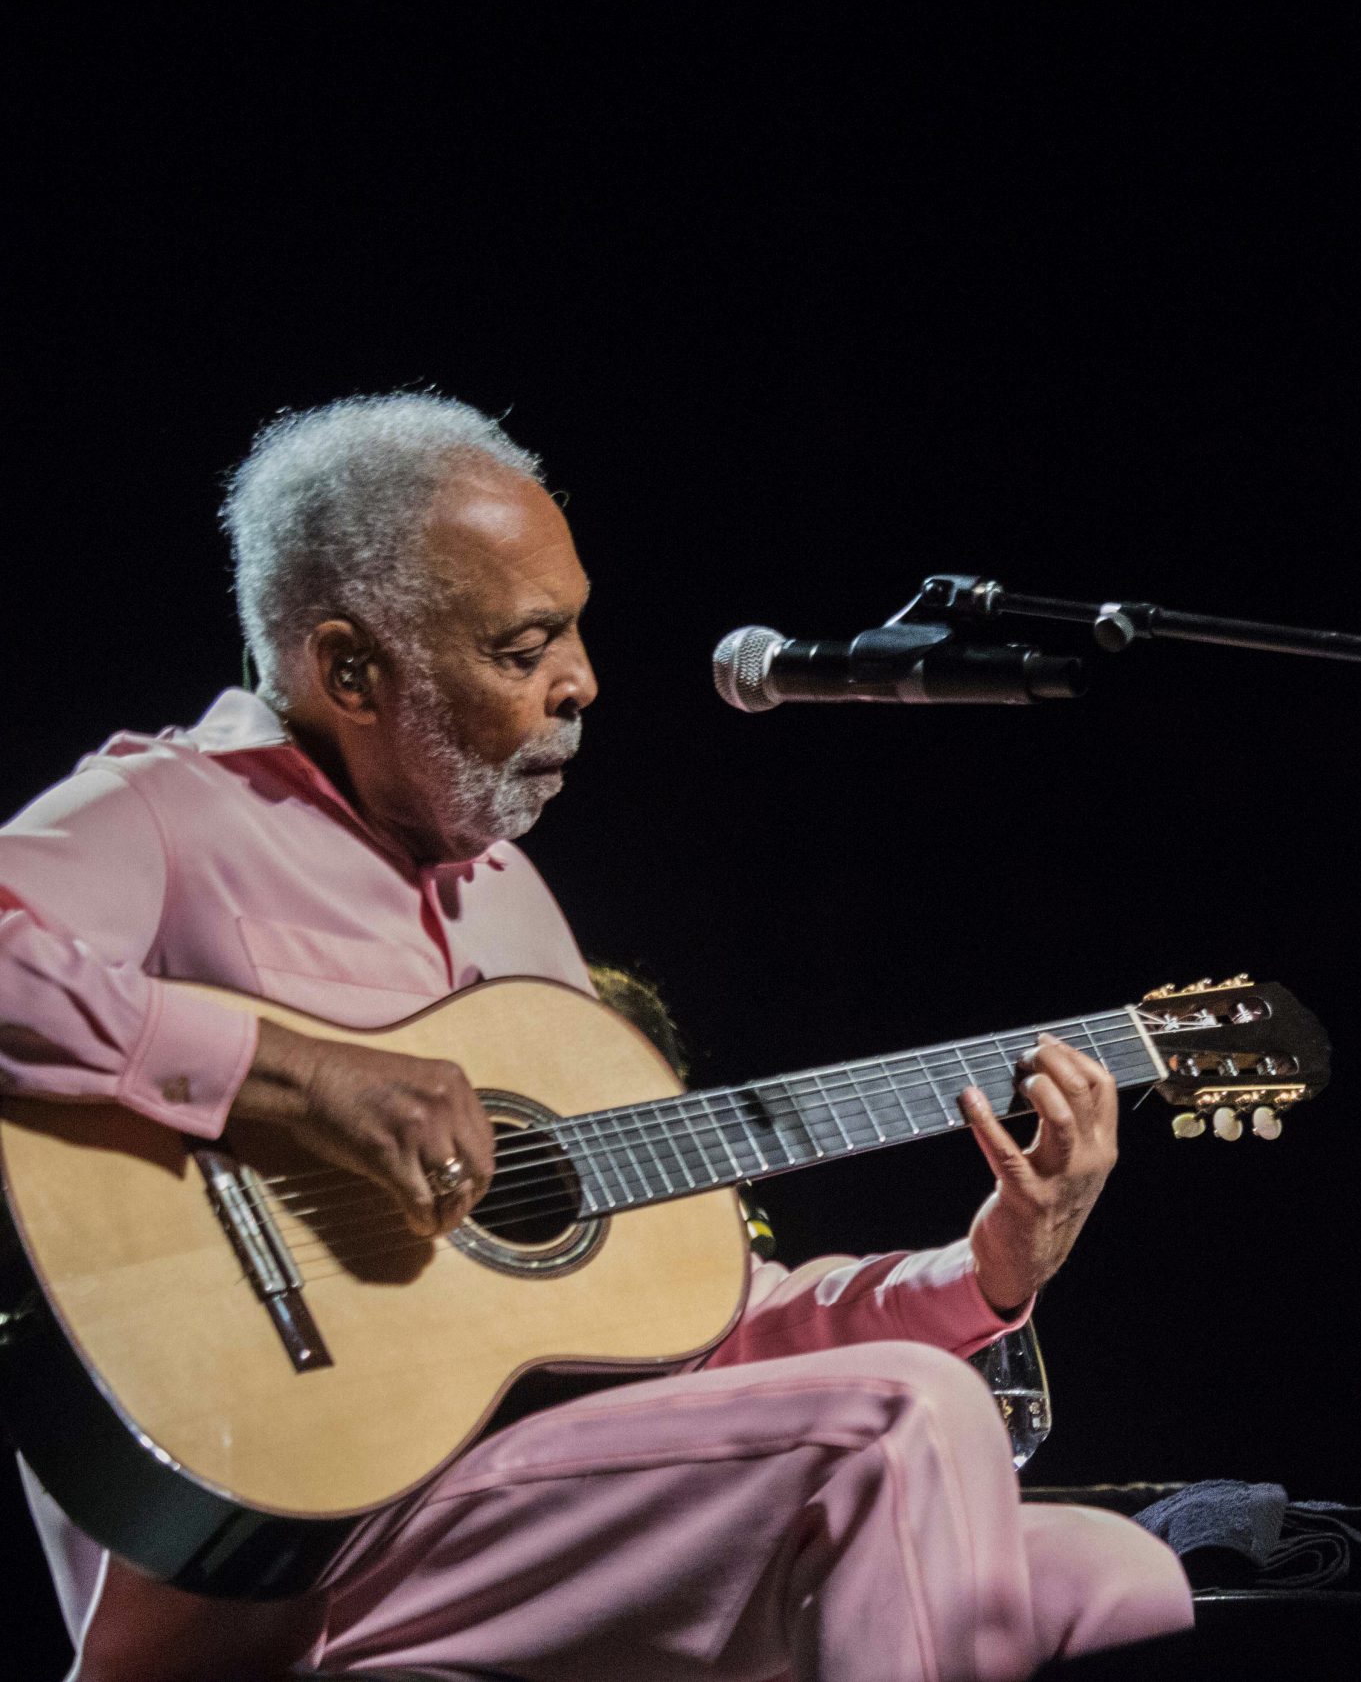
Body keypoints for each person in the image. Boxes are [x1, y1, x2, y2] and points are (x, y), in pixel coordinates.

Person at [0, 394, 1194, 1682]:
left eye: (573, 628)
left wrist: (983, 1272)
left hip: (524, 1509)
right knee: (898, 1425)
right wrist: (292, 1073)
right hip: (288, 1548)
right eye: (526, 647)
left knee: (1120, 1575)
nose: (583, 679)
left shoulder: (510, 899)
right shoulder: (170, 812)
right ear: (351, 671)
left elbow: (662, 1323)